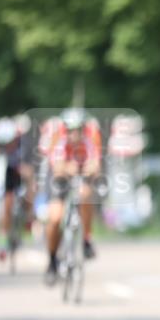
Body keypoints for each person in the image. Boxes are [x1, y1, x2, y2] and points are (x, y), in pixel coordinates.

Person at [42, 108, 103, 284]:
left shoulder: (89, 141)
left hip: (79, 175)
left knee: (85, 194)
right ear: (66, 129)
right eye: (71, 130)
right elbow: (58, 167)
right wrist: (70, 168)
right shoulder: (59, 140)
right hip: (59, 178)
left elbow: (95, 164)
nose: (75, 134)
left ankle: (86, 239)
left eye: (78, 130)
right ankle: (52, 260)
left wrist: (87, 169)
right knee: (55, 218)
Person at [0, 117, 34, 261]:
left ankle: (29, 216)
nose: (7, 146)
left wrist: (25, 171)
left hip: (21, 173)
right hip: (8, 175)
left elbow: (30, 166)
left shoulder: (24, 144)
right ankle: (3, 240)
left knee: (31, 184)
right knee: (7, 204)